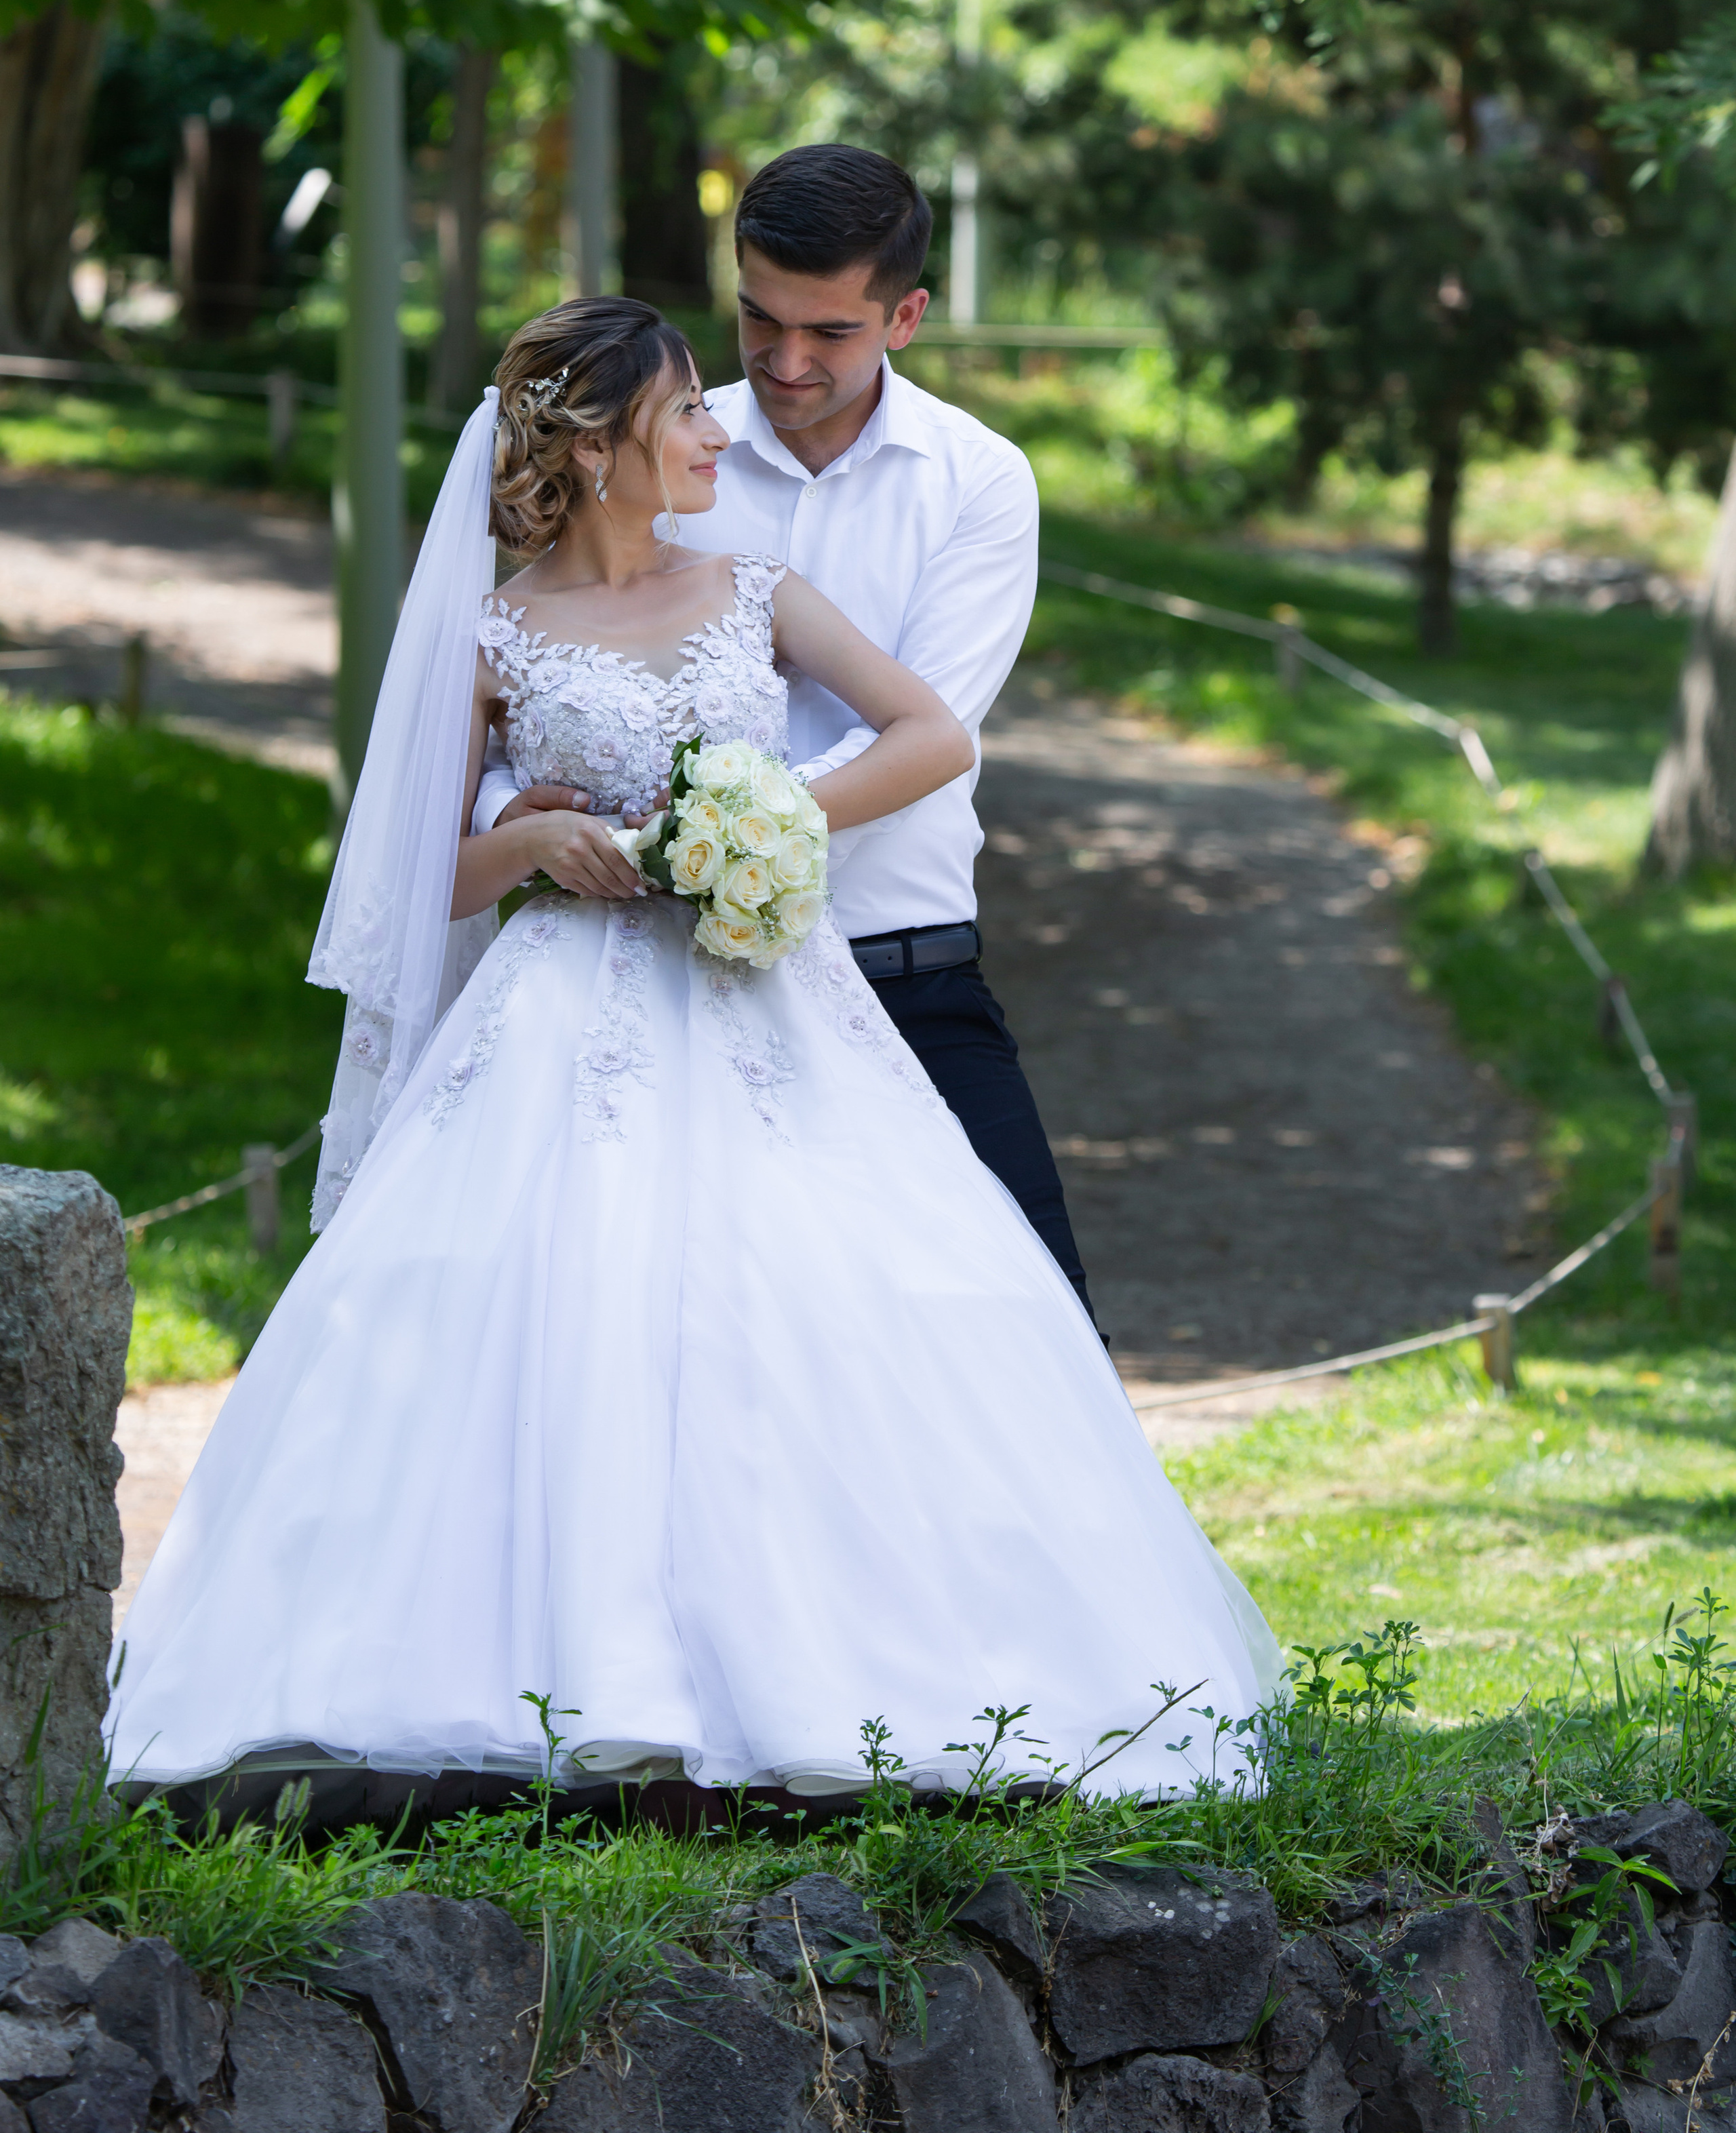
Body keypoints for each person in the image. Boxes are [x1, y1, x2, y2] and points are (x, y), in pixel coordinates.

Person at [106, 297, 1278, 1810]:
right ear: (599, 450)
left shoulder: (756, 591)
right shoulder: (492, 629)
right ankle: (520, 1678)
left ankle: (864, 1668)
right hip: (556, 1017)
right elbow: (416, 880)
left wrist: (772, 820)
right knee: (545, 1312)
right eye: (687, 416)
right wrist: (529, 840)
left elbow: (929, 734)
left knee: (834, 1305)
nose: (723, 429)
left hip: (767, 1007)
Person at [472, 145, 1097, 1323]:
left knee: (1032, 1327)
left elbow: (931, 729)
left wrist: (708, 836)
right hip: (641, 991)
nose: (787, 361)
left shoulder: (976, 482)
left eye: (832, 333)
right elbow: (528, 684)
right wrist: (507, 818)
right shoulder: (644, 449)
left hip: (899, 966)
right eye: (759, 318)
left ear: (906, 316)